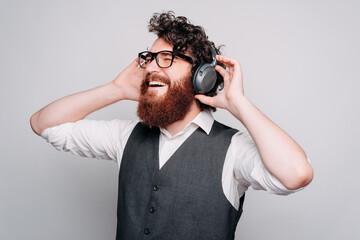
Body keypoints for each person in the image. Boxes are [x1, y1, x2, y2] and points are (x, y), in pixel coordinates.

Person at [30, 11, 313, 240]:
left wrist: (238, 104)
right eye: (150, 59)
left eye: (167, 59)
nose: (151, 67)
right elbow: (43, 124)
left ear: (200, 76)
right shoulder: (126, 136)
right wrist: (115, 89)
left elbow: (296, 174)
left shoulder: (233, 149)